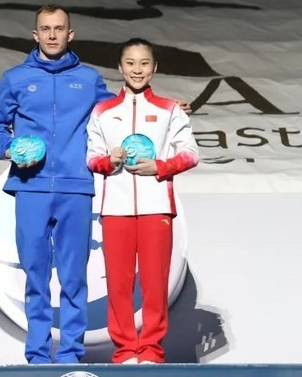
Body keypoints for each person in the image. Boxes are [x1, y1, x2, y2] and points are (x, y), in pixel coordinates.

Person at [0, 6, 189, 364]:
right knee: (35, 275)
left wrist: (169, 106)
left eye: (58, 28)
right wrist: (9, 148)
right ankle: (37, 355)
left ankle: (70, 354)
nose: (52, 35)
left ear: (70, 34)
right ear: (35, 34)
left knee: (74, 277)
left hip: (76, 188)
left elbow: (124, 108)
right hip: (30, 187)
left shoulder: (89, 79)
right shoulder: (15, 78)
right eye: (45, 28)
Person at [85, 37, 199, 364]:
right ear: (120, 67)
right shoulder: (103, 111)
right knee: (118, 285)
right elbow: (92, 158)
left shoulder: (169, 110)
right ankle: (124, 351)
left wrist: (160, 167)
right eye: (131, 63)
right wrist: (109, 161)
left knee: (154, 283)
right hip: (115, 210)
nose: (137, 70)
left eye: (144, 63)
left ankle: (150, 350)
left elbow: (190, 154)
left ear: (154, 68)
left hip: (156, 207)